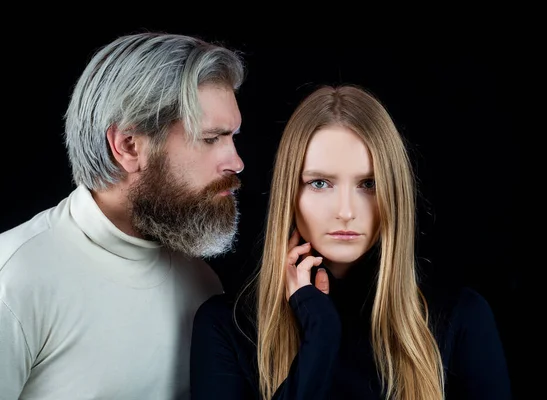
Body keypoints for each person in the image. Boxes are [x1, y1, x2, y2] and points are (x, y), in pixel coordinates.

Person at [190, 84, 512, 399]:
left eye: (368, 184)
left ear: (393, 192)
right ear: (290, 193)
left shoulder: (460, 318)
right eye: (320, 183)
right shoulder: (226, 328)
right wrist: (321, 334)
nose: (345, 211)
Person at [0, 32, 246, 399]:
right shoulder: (14, 278)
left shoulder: (203, 285)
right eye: (212, 139)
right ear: (129, 146)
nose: (237, 162)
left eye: (233, 137)